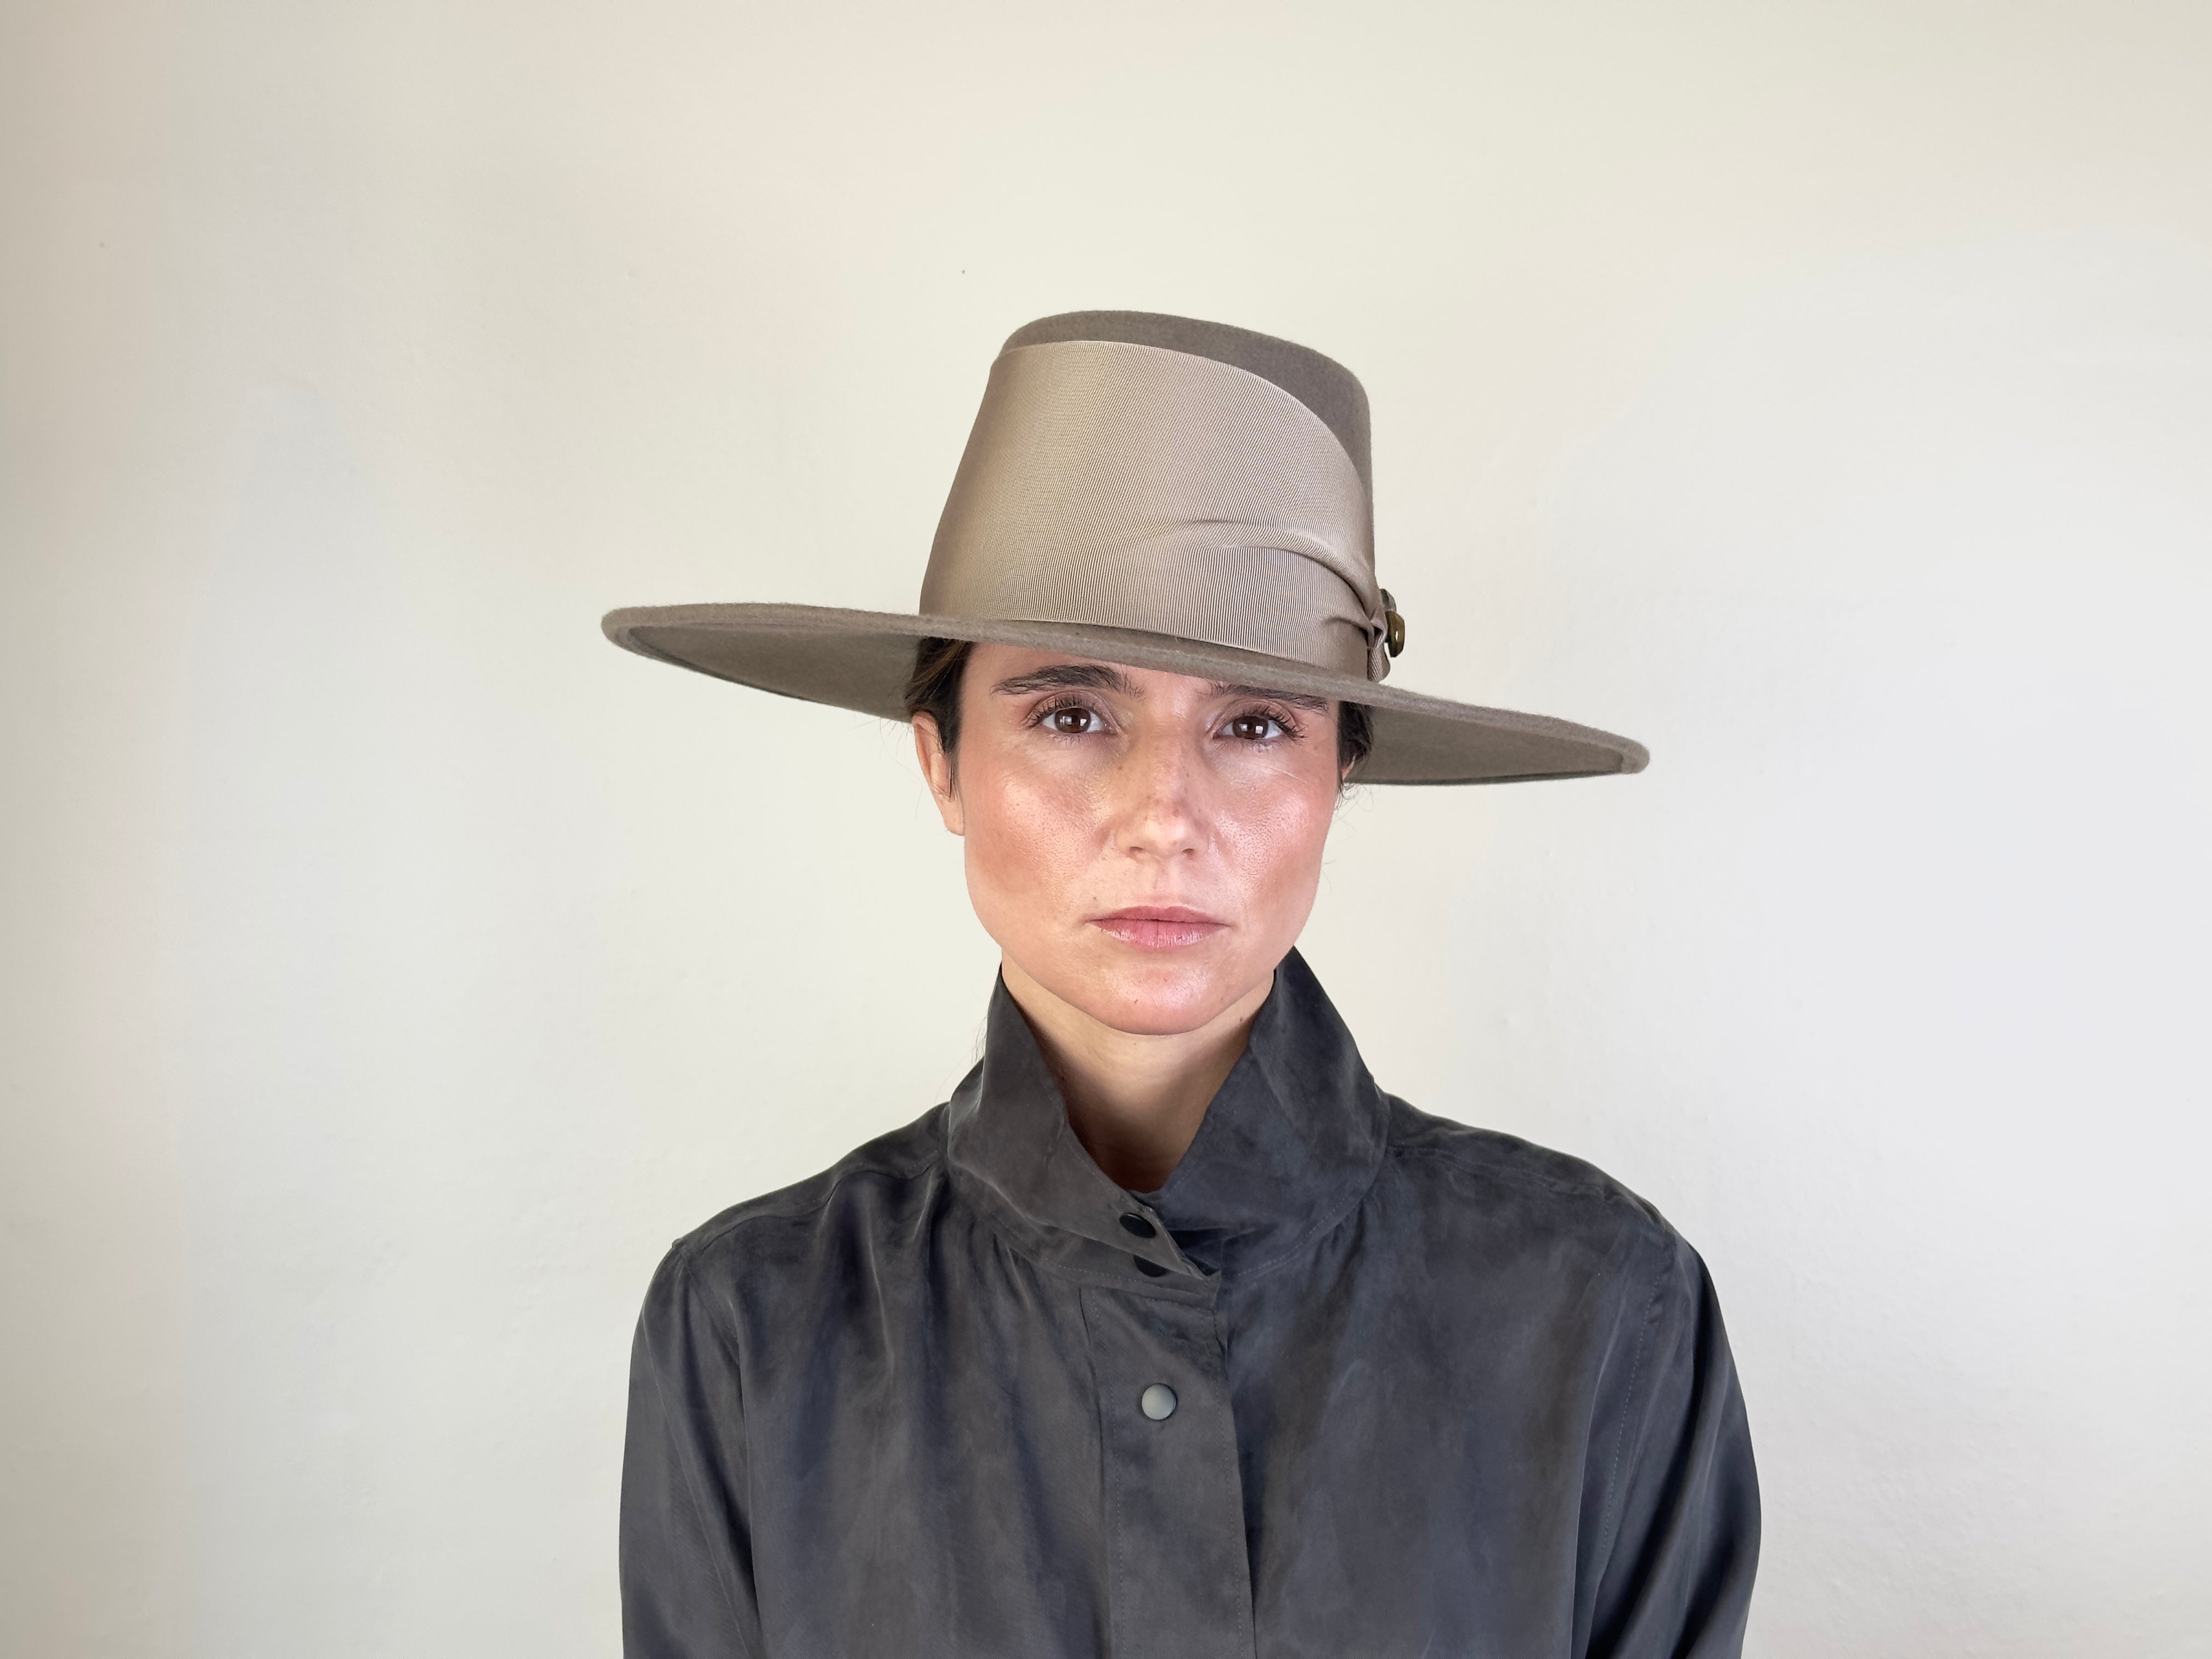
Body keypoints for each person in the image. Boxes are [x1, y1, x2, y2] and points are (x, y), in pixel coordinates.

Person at [602, 311, 1758, 1658]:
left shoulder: (1602, 1307)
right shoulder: (751, 1326)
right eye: (1071, 714)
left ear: (1340, 776)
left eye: (1254, 723)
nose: (1164, 817)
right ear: (940, 763)